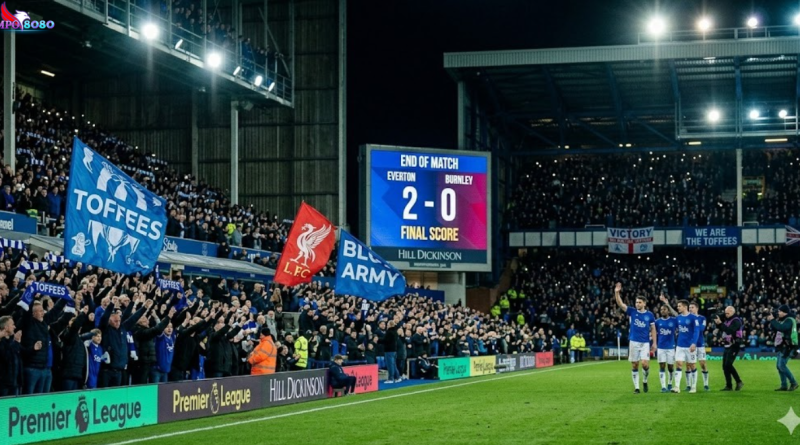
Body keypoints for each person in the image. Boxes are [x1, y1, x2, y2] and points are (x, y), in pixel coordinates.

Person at [614, 282, 656, 394]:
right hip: (633, 341)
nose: (637, 304)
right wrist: (617, 293)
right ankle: (637, 388)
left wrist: (654, 343)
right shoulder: (632, 311)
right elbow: (620, 304)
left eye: (639, 302)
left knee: (645, 364)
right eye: (636, 302)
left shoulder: (650, 315)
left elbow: (653, 329)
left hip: (645, 342)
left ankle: (645, 380)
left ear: (644, 303)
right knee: (635, 364)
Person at [663, 299, 699, 393]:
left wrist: (694, 343)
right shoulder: (678, 318)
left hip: (690, 346)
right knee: (678, 364)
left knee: (692, 365)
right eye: (677, 306)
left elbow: (696, 331)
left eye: (679, 306)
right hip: (680, 346)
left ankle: (693, 387)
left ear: (685, 307)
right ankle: (677, 387)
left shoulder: (693, 318)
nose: (678, 307)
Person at [767, 305, 798, 391]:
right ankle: (784, 385)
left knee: (781, 365)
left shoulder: (789, 320)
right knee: (779, 366)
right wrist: (772, 320)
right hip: (782, 345)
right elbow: (774, 328)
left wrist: (773, 320)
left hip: (788, 346)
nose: (778, 313)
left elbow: (781, 328)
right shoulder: (784, 319)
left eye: (780, 311)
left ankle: (793, 383)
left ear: (785, 312)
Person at [714, 306, 744, 391]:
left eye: (728, 313)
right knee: (725, 366)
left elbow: (729, 331)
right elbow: (721, 327)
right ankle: (729, 385)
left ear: (732, 312)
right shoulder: (728, 319)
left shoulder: (736, 321)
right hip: (727, 344)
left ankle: (739, 381)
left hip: (734, 345)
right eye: (725, 313)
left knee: (728, 365)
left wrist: (720, 323)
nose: (726, 315)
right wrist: (717, 324)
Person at [656, 295, 677, 392]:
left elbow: (678, 315)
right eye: (661, 309)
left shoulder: (673, 320)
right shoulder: (657, 322)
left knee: (670, 367)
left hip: (671, 347)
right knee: (662, 366)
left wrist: (667, 304)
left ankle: (669, 383)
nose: (662, 311)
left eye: (664, 309)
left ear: (668, 311)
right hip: (661, 347)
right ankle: (663, 386)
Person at [689, 301, 709, 391]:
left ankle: (706, 384)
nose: (690, 309)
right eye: (689, 308)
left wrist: (693, 326)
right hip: (690, 344)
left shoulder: (702, 318)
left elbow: (701, 328)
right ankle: (690, 385)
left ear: (697, 308)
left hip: (700, 343)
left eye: (692, 307)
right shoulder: (687, 318)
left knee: (702, 364)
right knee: (690, 365)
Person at [0, 315, 22, 396]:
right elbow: (7, 357)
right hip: (3, 385)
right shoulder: (2, 342)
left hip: (14, 382)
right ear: (6, 327)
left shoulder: (10, 340)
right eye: (12, 324)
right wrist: (16, 342)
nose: (14, 327)